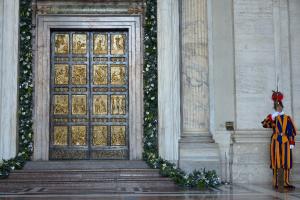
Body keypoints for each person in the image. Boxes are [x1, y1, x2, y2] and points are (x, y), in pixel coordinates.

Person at [262, 91, 297, 189]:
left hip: (285, 141)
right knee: (276, 161)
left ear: (282, 107)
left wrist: (291, 142)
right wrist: (271, 117)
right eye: (277, 106)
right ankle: (276, 182)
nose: (279, 107)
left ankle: (286, 182)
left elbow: (291, 130)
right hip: (275, 141)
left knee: (286, 161)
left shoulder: (287, 118)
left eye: (280, 106)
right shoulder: (272, 117)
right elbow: (265, 125)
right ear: (275, 108)